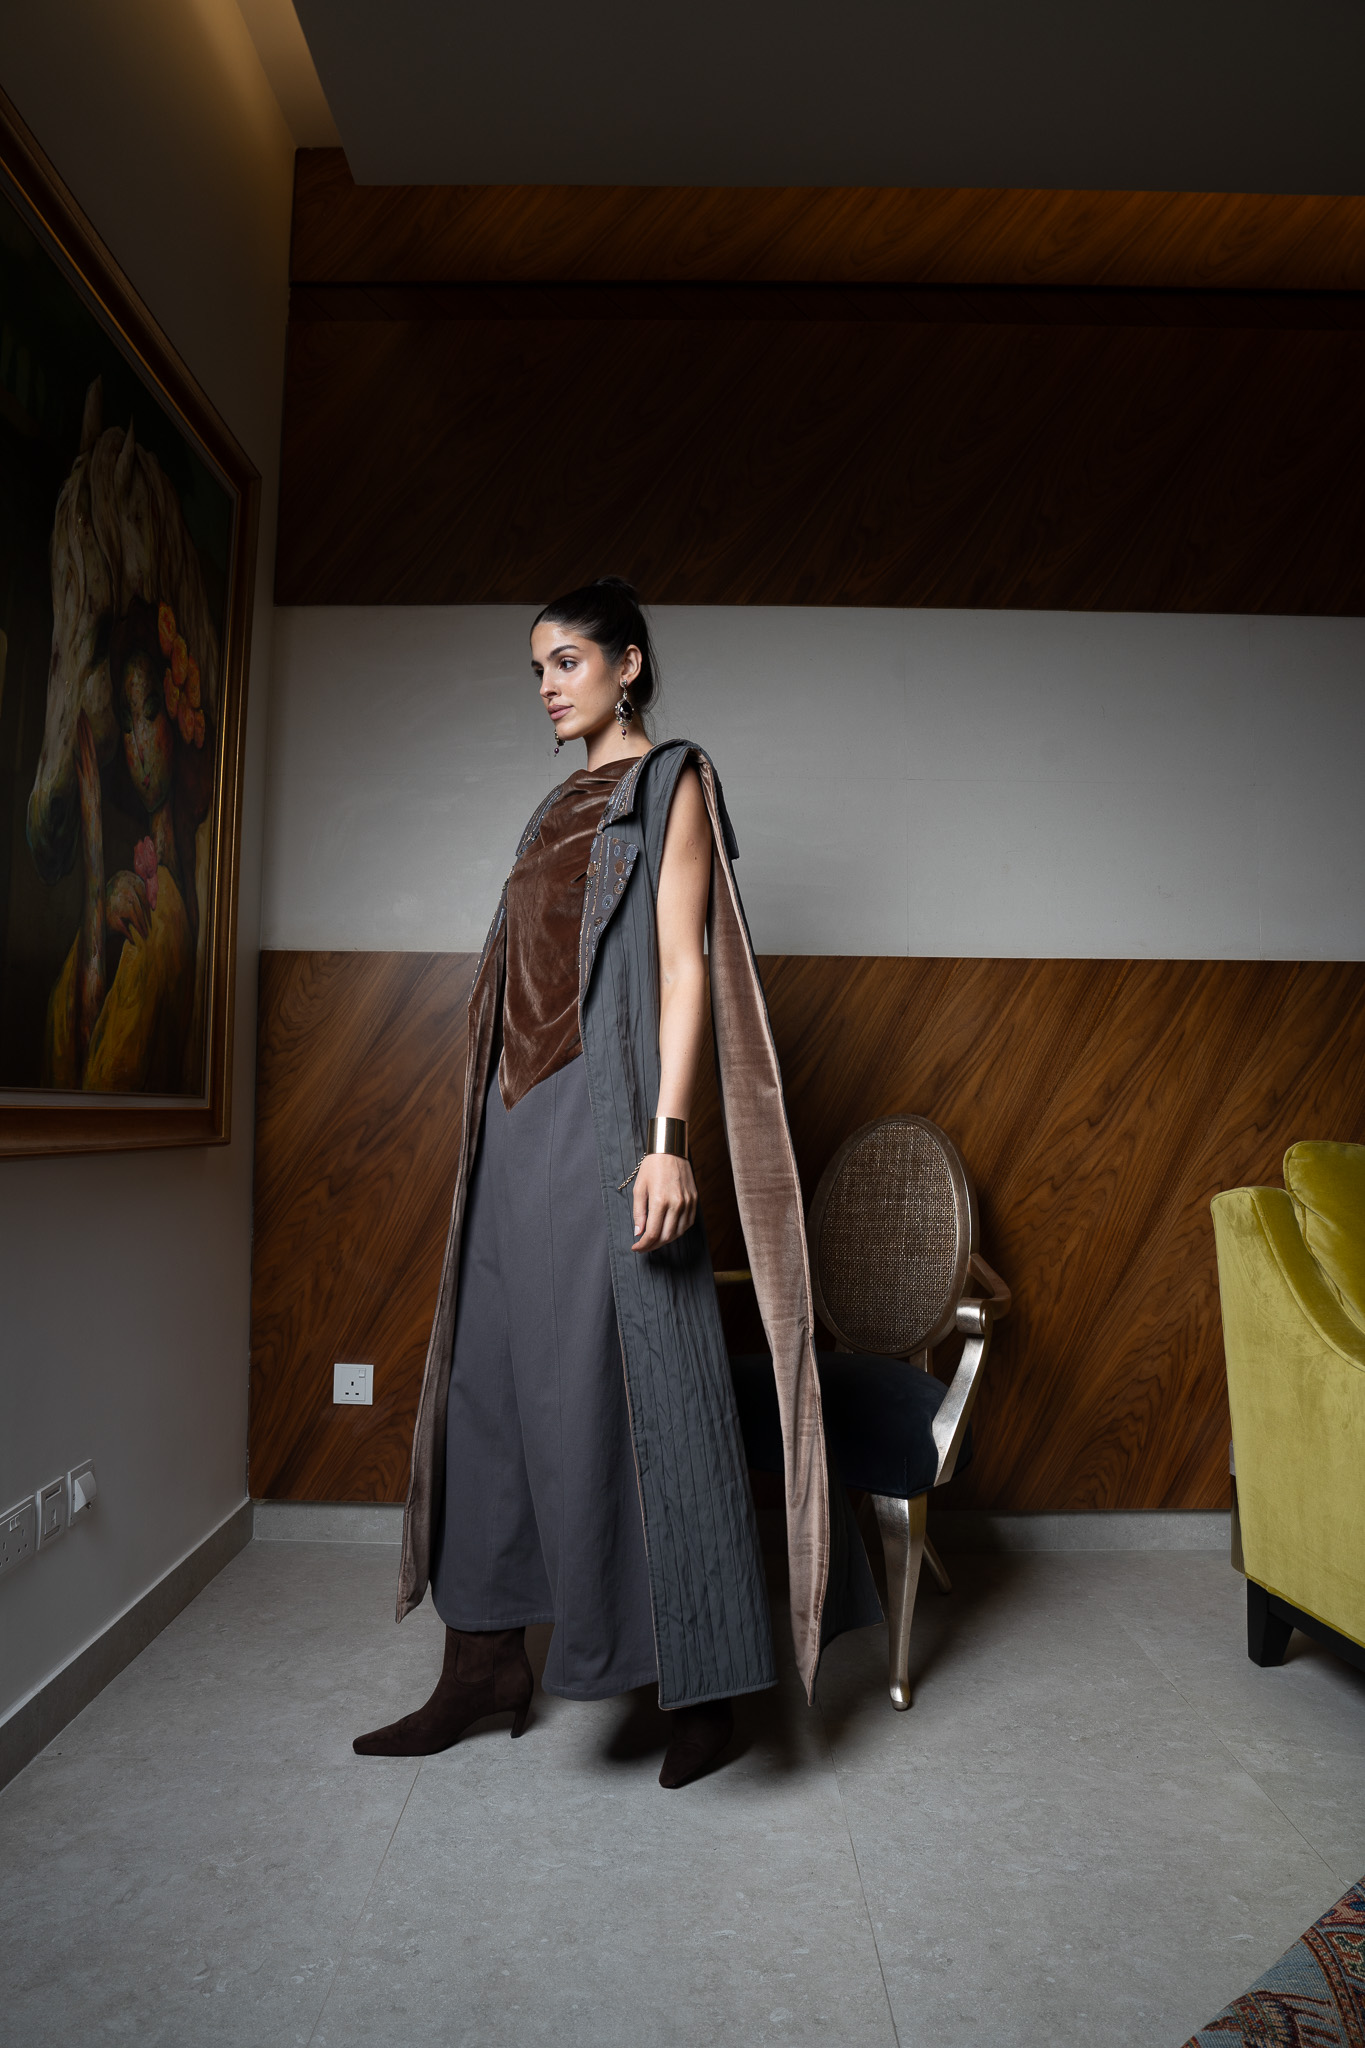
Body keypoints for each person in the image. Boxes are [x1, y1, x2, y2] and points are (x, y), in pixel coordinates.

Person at [354, 579, 880, 1789]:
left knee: (644, 1380)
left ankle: (705, 1683)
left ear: (628, 664)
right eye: (538, 667)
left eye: (569, 661)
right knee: (489, 1381)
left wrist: (667, 1139)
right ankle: (482, 1663)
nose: (548, 684)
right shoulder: (551, 808)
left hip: (610, 1121)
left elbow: (685, 966)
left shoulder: (673, 778)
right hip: (511, 1125)